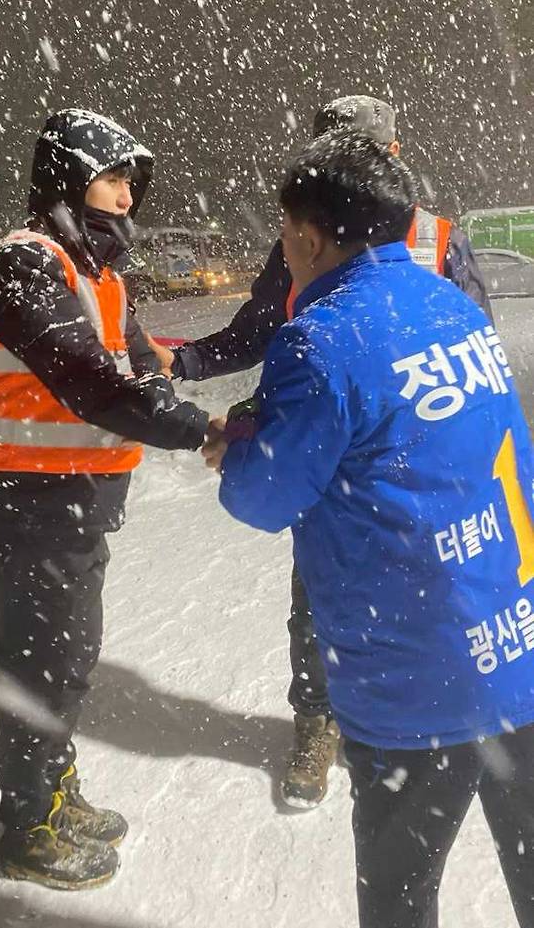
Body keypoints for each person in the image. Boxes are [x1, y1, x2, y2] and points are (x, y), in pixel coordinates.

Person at [207, 129, 534, 928]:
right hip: (516, 645)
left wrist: (234, 448)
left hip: (416, 679)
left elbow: (264, 496)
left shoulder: (322, 339)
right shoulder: (450, 303)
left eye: (285, 234)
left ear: (309, 236)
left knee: (399, 892)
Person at [155, 95, 491, 809]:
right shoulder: (301, 239)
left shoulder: (437, 238)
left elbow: (471, 349)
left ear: (392, 155)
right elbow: (261, 331)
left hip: (424, 458)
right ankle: (318, 721)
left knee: (444, 590)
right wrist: (183, 362)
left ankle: (441, 723)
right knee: (322, 596)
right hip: (337, 461)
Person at [0, 109, 209, 890]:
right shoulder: (24, 264)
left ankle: (52, 789)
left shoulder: (100, 273)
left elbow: (139, 371)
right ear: (66, 176)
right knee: (41, 665)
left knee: (67, 656)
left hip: (75, 500)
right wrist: (206, 432)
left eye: (133, 182)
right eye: (112, 178)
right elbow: (96, 383)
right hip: (20, 500)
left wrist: (178, 402)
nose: (128, 198)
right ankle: (28, 824)